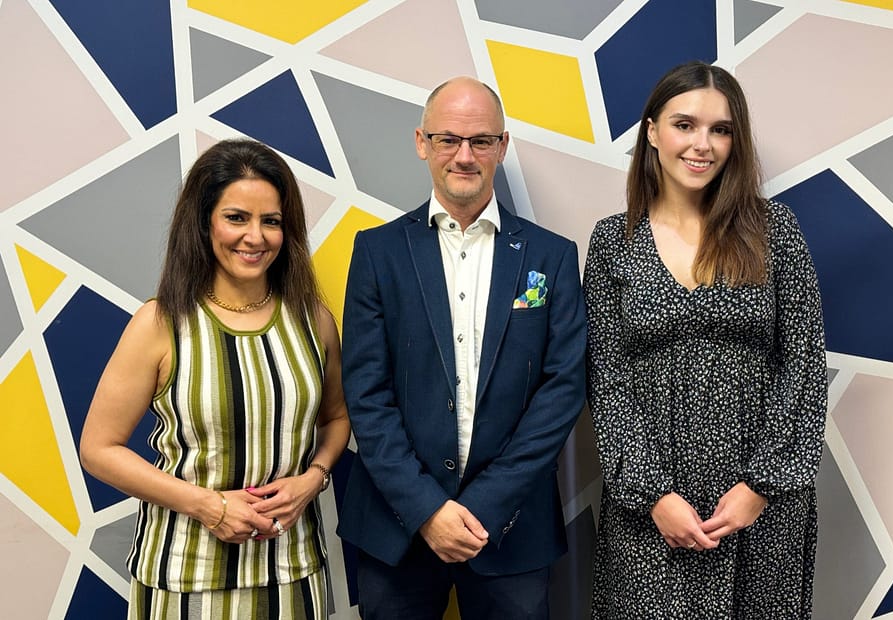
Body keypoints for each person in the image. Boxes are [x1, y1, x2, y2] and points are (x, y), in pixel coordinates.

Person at [584, 61, 827, 618]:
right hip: (650, 512)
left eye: (721, 129)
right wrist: (654, 498)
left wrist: (760, 487)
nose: (703, 144)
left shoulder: (775, 231)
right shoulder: (612, 243)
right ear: (652, 132)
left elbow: (805, 366)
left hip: (760, 508)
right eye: (685, 124)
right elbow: (608, 380)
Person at [337, 76, 586, 619]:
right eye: (448, 139)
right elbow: (366, 393)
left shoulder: (552, 257)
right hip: (397, 526)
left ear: (503, 146)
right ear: (422, 142)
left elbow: (562, 389)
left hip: (512, 531)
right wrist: (428, 510)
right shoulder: (377, 253)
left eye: (480, 141)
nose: (464, 155)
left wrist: (484, 505)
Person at [80, 138, 350, 619]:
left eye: (272, 221)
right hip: (186, 574)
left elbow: (336, 417)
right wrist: (208, 505)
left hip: (293, 572)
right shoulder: (161, 324)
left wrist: (315, 476)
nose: (255, 237)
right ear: (203, 223)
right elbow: (99, 449)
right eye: (236, 217)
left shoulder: (314, 321)